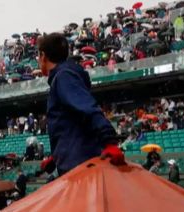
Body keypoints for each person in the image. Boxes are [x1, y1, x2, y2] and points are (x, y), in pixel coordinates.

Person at [36, 33, 123, 177]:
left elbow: (88, 108)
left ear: (43, 56)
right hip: (74, 160)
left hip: (80, 166)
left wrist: (109, 142)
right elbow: (73, 122)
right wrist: (57, 156)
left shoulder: (64, 77)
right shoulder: (65, 75)